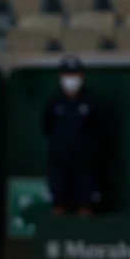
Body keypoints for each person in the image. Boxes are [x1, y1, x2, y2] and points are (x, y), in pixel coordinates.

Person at [42, 55, 109, 217]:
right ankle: (57, 240)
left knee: (85, 204)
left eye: (75, 75)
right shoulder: (54, 102)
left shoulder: (91, 102)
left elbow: (98, 129)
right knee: (58, 203)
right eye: (67, 76)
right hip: (59, 162)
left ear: (82, 77)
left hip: (85, 163)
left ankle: (84, 240)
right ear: (61, 77)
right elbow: (46, 127)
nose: (71, 80)